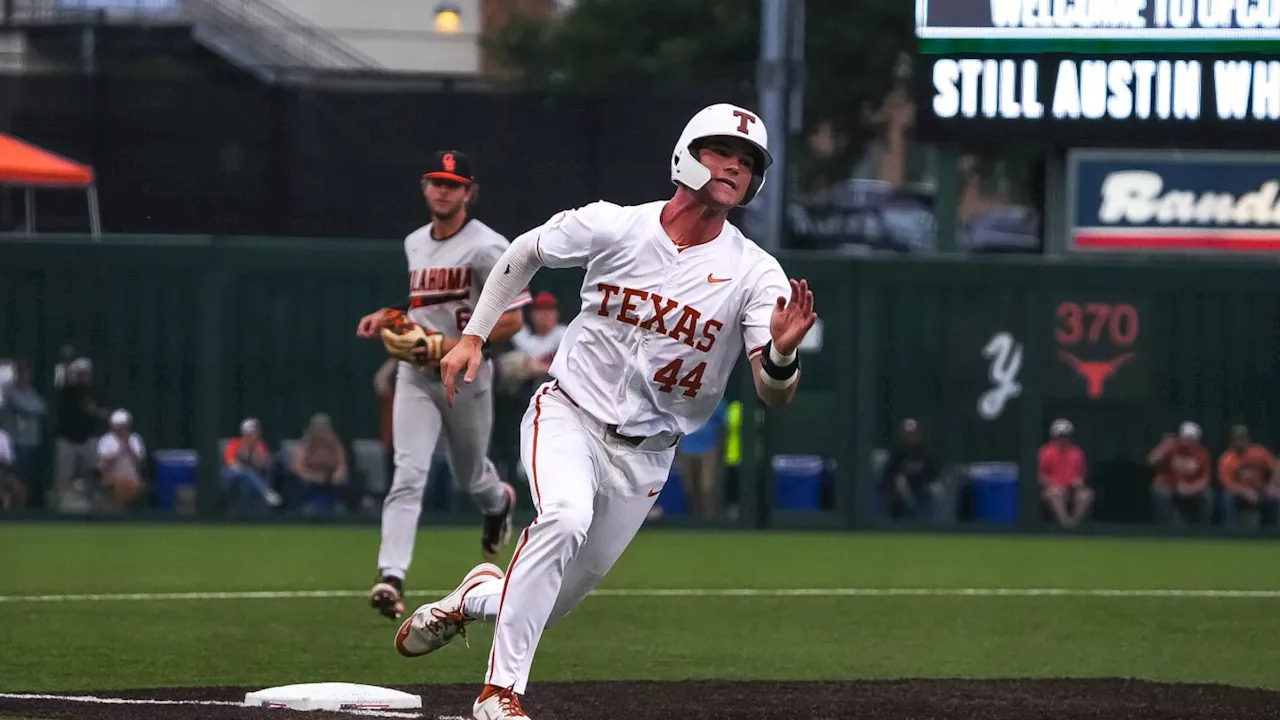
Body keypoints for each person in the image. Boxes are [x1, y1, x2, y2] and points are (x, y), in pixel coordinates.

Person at [395, 103, 816, 720]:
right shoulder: (615, 226)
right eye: (721, 150)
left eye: (748, 161)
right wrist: (474, 335)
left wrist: (780, 354)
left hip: (646, 457)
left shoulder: (756, 273)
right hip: (568, 412)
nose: (734, 165)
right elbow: (523, 252)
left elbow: (772, 391)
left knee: (547, 602)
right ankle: (499, 695)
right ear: (685, 154)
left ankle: (475, 594)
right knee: (562, 518)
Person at [355, 150, 530, 621]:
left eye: (453, 184)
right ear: (425, 187)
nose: (443, 190)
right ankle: (390, 577)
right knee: (408, 473)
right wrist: (389, 316)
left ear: (469, 192)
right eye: (436, 181)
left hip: (469, 374)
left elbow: (513, 320)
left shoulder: (489, 246)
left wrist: (457, 343)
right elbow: (422, 311)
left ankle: (499, 503)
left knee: (471, 477)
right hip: (418, 376)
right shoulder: (415, 242)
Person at [882, 419, 943, 522]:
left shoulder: (925, 451)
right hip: (902, 493)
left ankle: (929, 525)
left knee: (930, 497)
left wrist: (934, 483)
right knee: (904, 498)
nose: (910, 438)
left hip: (923, 489)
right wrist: (896, 482)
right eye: (908, 435)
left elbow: (934, 472)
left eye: (912, 434)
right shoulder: (897, 452)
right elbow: (888, 474)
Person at [1037, 418, 1093, 528]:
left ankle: (1074, 523)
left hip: (1072, 489)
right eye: (1060, 436)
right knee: (1056, 493)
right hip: (1053, 489)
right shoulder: (1046, 452)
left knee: (1086, 494)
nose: (1062, 439)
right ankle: (1065, 523)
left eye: (1065, 436)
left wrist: (1078, 482)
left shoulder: (1077, 453)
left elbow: (1081, 475)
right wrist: (1053, 484)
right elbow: (1040, 476)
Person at [221, 418, 281, 511]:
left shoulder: (259, 445)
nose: (255, 435)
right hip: (230, 475)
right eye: (252, 433)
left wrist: (256, 455)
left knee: (248, 478)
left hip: (249, 477)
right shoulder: (235, 443)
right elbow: (230, 462)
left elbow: (264, 464)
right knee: (247, 471)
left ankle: (250, 514)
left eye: (256, 432)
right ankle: (267, 492)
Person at [95, 409, 146, 511]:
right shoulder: (105, 440)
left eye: (124, 426)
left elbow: (140, 461)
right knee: (119, 484)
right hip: (111, 475)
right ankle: (119, 512)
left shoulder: (135, 439)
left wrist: (129, 449)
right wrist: (119, 452)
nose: (122, 430)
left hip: (131, 476)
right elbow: (104, 462)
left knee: (134, 485)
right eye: (119, 427)